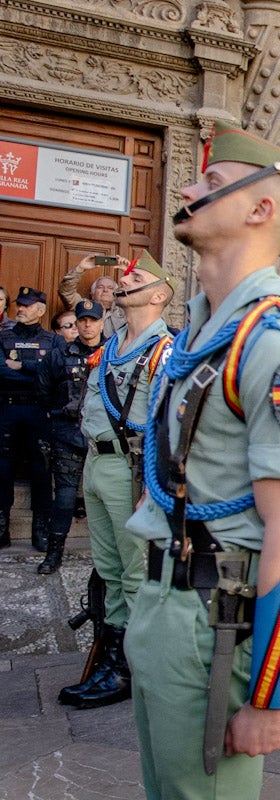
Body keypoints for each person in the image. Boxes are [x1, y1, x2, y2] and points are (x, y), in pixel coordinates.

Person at [122, 120, 280, 799]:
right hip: (163, 605)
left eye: (210, 183)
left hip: (213, 623)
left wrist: (273, 695)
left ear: (259, 208)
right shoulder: (201, 336)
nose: (186, 189)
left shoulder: (275, 349)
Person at [58, 253, 174, 708]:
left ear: (160, 295)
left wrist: (154, 482)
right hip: (97, 463)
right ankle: (108, 657)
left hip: (132, 470)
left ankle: (127, 668)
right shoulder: (112, 342)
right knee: (107, 569)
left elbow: (167, 423)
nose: (126, 282)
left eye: (138, 278)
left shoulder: (164, 351)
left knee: (133, 572)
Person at [34, 299, 105, 574]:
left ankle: (109, 555)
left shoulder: (114, 352)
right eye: (83, 319)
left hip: (103, 434)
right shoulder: (58, 354)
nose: (87, 325)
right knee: (63, 497)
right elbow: (43, 392)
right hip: (67, 433)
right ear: (76, 323)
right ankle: (54, 554)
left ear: (101, 321)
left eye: (93, 320)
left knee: (109, 497)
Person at [0, 286, 60, 551]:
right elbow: (1, 372)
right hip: (8, 409)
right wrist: (37, 373)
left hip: (39, 411)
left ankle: (41, 527)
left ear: (41, 310)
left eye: (27, 305)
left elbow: (56, 373)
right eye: (19, 304)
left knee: (41, 469)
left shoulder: (54, 340)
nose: (20, 309)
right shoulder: (3, 336)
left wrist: (23, 366)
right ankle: (2, 526)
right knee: (2, 469)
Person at [59, 257, 126, 337]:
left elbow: (142, 300)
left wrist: (130, 273)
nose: (105, 290)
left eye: (110, 288)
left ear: (116, 294)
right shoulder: (82, 306)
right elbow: (67, 292)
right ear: (92, 293)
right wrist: (80, 269)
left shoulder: (124, 310)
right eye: (100, 287)